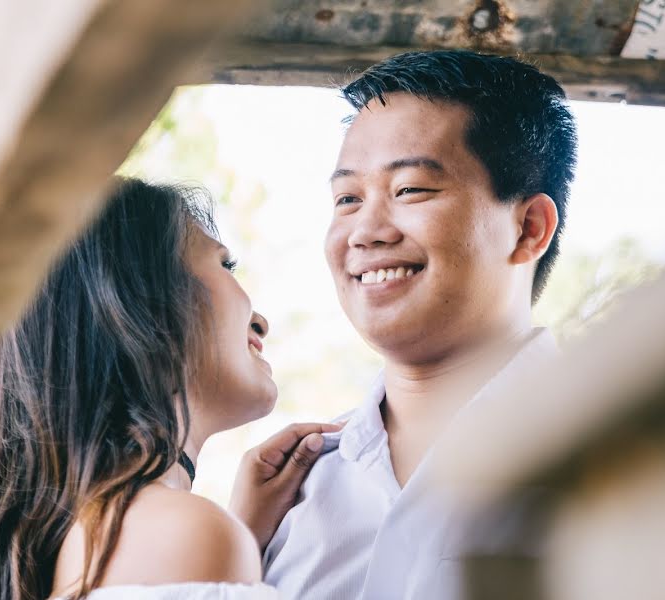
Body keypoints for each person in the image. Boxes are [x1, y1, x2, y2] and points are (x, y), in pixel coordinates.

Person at [230, 50, 578, 599]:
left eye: (410, 189)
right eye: (347, 199)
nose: (365, 232)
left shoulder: (631, 461)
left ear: (528, 228)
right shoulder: (288, 499)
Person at [0, 178, 338, 600]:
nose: (261, 322)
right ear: (142, 302)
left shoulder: (88, 541)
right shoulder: (175, 534)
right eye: (225, 265)